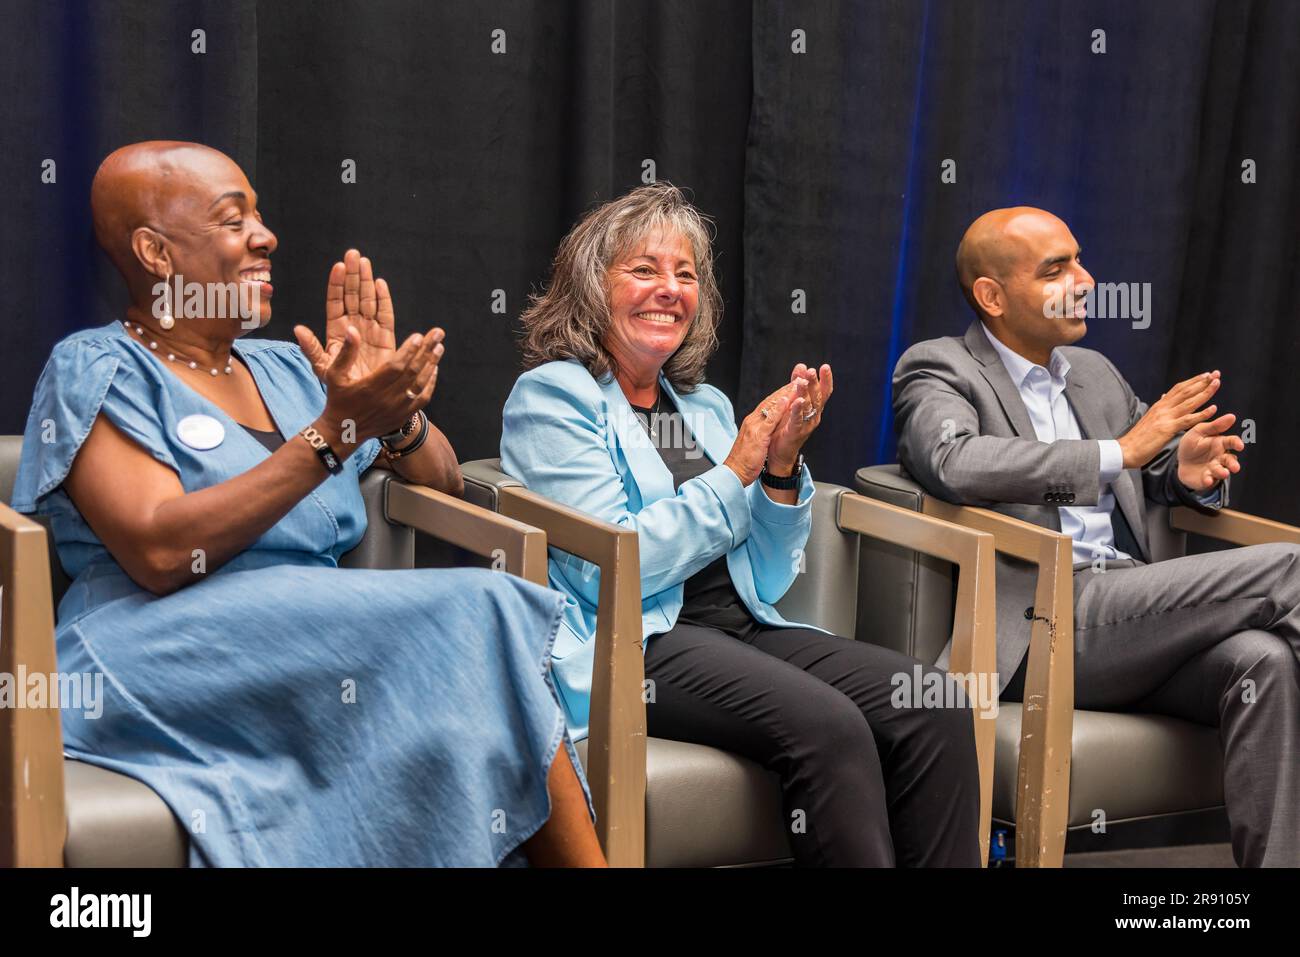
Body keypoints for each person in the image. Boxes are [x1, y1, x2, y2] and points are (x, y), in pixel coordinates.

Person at [11, 141, 604, 867]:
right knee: (485, 609)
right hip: (152, 645)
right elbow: (160, 551)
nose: (267, 236)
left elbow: (442, 483)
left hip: (313, 648)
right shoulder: (98, 366)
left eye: (258, 214)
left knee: (466, 688)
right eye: (234, 221)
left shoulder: (292, 368)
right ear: (155, 253)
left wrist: (394, 414)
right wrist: (331, 432)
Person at [501, 183, 980, 867]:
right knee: (831, 726)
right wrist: (733, 473)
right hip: (635, 645)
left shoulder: (703, 404)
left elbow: (770, 571)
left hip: (743, 623)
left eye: (686, 274)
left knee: (937, 707)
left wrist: (779, 468)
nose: (670, 288)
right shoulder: (553, 395)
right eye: (644, 269)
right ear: (588, 286)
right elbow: (608, 568)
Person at [893, 205, 1299, 867]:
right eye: (1057, 269)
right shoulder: (939, 368)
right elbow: (954, 461)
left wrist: (1188, 471)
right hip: (1040, 624)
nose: (1086, 280)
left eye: (1079, 260)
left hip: (1128, 614)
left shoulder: (1092, 372)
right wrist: (1118, 453)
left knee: (1263, 659)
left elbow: (1153, 463)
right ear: (992, 296)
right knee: (1289, 568)